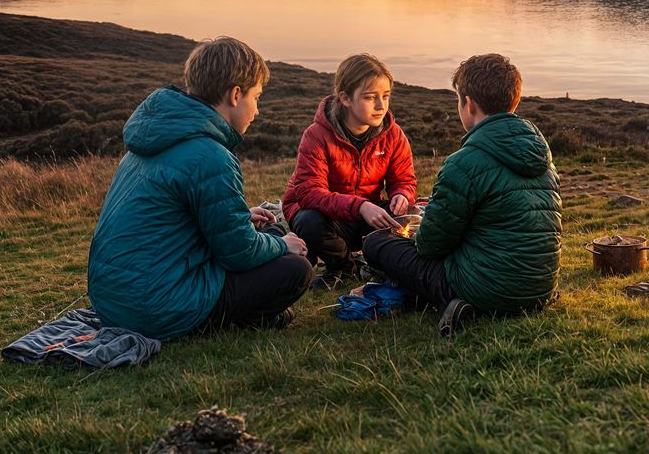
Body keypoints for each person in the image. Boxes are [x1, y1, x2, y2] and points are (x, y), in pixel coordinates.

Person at [87, 37, 312, 340]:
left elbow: (167, 219)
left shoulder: (149, 141)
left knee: (268, 233)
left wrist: (239, 217)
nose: (257, 110)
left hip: (112, 303)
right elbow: (240, 253)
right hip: (158, 309)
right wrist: (284, 245)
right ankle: (253, 317)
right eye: (256, 97)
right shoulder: (210, 155)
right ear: (235, 95)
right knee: (295, 268)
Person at [361, 53, 561, 336]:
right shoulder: (543, 156)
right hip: (541, 288)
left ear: (469, 104)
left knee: (376, 243)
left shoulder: (464, 162)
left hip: (486, 289)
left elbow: (431, 246)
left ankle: (460, 302)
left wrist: (417, 229)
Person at [282, 53, 417, 289]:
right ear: (345, 98)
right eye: (370, 97)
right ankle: (344, 267)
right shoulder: (316, 135)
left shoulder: (393, 135)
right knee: (308, 220)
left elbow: (404, 179)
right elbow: (308, 193)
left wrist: (402, 195)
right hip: (327, 219)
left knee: (410, 216)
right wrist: (360, 206)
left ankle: (378, 261)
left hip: (366, 214)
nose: (381, 105)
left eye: (385, 96)